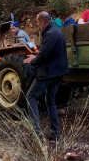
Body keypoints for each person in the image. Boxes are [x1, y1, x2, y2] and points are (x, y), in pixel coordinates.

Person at [23, 11, 68, 140]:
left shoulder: (50, 34)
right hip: (58, 72)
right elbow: (47, 52)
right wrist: (37, 56)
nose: (37, 25)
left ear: (43, 21)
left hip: (48, 72)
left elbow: (44, 56)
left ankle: (35, 133)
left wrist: (32, 59)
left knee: (31, 96)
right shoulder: (56, 31)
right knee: (50, 101)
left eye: (38, 22)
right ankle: (55, 132)